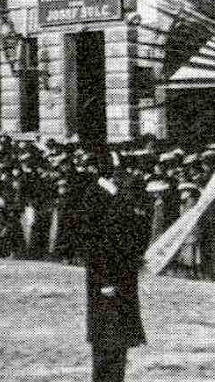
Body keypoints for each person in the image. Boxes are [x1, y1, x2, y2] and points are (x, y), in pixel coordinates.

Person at [80, 163, 151, 382]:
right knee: (107, 339)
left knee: (118, 340)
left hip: (121, 279)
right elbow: (96, 245)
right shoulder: (97, 197)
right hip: (108, 280)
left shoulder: (119, 197)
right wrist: (105, 280)